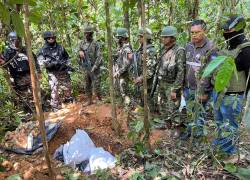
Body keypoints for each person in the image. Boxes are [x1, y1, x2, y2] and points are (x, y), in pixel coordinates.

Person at [213, 15, 250, 155]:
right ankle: (218, 149)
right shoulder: (226, 46)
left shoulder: (246, 49)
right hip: (219, 93)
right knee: (219, 123)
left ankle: (228, 153)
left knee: (229, 126)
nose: (226, 33)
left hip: (233, 95)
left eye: (229, 30)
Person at [183, 19, 216, 139]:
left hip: (200, 89)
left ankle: (198, 136)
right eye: (192, 32)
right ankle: (190, 132)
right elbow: (185, 66)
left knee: (200, 113)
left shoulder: (211, 47)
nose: (194, 35)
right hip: (188, 87)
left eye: (197, 32)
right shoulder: (188, 46)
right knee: (190, 111)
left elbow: (211, 72)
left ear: (204, 31)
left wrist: (205, 91)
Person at [153, 26, 185, 127]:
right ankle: (167, 124)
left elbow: (181, 72)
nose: (162, 39)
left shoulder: (179, 50)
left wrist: (175, 89)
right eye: (162, 37)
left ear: (172, 38)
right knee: (162, 104)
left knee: (173, 107)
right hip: (162, 82)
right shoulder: (163, 49)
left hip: (172, 84)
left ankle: (176, 127)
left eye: (165, 37)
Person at [1, 32, 41, 114]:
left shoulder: (25, 49)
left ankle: (41, 109)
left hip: (30, 74)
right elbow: (5, 64)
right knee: (24, 96)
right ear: (11, 41)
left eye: (18, 40)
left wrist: (38, 71)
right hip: (18, 77)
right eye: (15, 40)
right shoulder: (7, 51)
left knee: (37, 92)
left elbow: (35, 60)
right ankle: (29, 113)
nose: (17, 42)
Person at [37, 31, 73, 112]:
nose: (51, 39)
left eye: (53, 37)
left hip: (63, 70)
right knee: (54, 89)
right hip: (52, 72)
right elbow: (40, 61)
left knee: (68, 86)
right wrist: (49, 64)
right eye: (49, 38)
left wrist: (68, 65)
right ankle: (55, 106)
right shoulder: (43, 50)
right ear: (46, 39)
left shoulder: (60, 47)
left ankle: (69, 100)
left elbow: (67, 58)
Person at [133, 28, 157, 112]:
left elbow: (150, 71)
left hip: (148, 84)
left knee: (149, 106)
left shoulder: (150, 51)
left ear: (145, 37)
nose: (139, 39)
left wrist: (141, 78)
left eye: (140, 37)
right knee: (142, 105)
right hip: (141, 83)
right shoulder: (141, 49)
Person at [78, 24, 103, 106]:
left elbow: (99, 57)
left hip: (94, 68)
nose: (86, 35)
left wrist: (94, 67)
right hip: (85, 67)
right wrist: (80, 53)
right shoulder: (82, 43)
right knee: (87, 84)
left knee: (97, 84)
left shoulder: (96, 43)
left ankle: (99, 99)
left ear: (91, 34)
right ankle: (89, 100)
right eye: (85, 33)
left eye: (88, 33)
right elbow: (79, 53)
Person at [113, 27, 133, 107]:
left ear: (121, 38)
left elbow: (127, 64)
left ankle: (128, 109)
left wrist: (119, 72)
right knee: (120, 91)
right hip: (119, 74)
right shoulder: (121, 48)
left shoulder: (127, 49)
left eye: (118, 38)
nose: (116, 39)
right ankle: (122, 106)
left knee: (124, 92)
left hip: (123, 75)